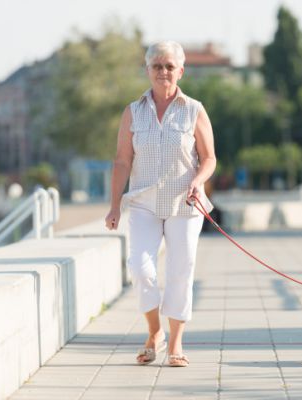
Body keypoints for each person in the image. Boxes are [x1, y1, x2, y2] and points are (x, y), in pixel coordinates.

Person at [105, 41, 216, 368]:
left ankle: (176, 343)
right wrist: (114, 207)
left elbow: (209, 158)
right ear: (148, 70)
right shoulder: (133, 111)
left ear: (181, 71)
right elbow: (122, 161)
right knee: (141, 269)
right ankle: (154, 333)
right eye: (157, 66)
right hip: (142, 203)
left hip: (185, 204)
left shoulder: (194, 109)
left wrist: (198, 180)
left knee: (181, 271)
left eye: (170, 66)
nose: (163, 72)